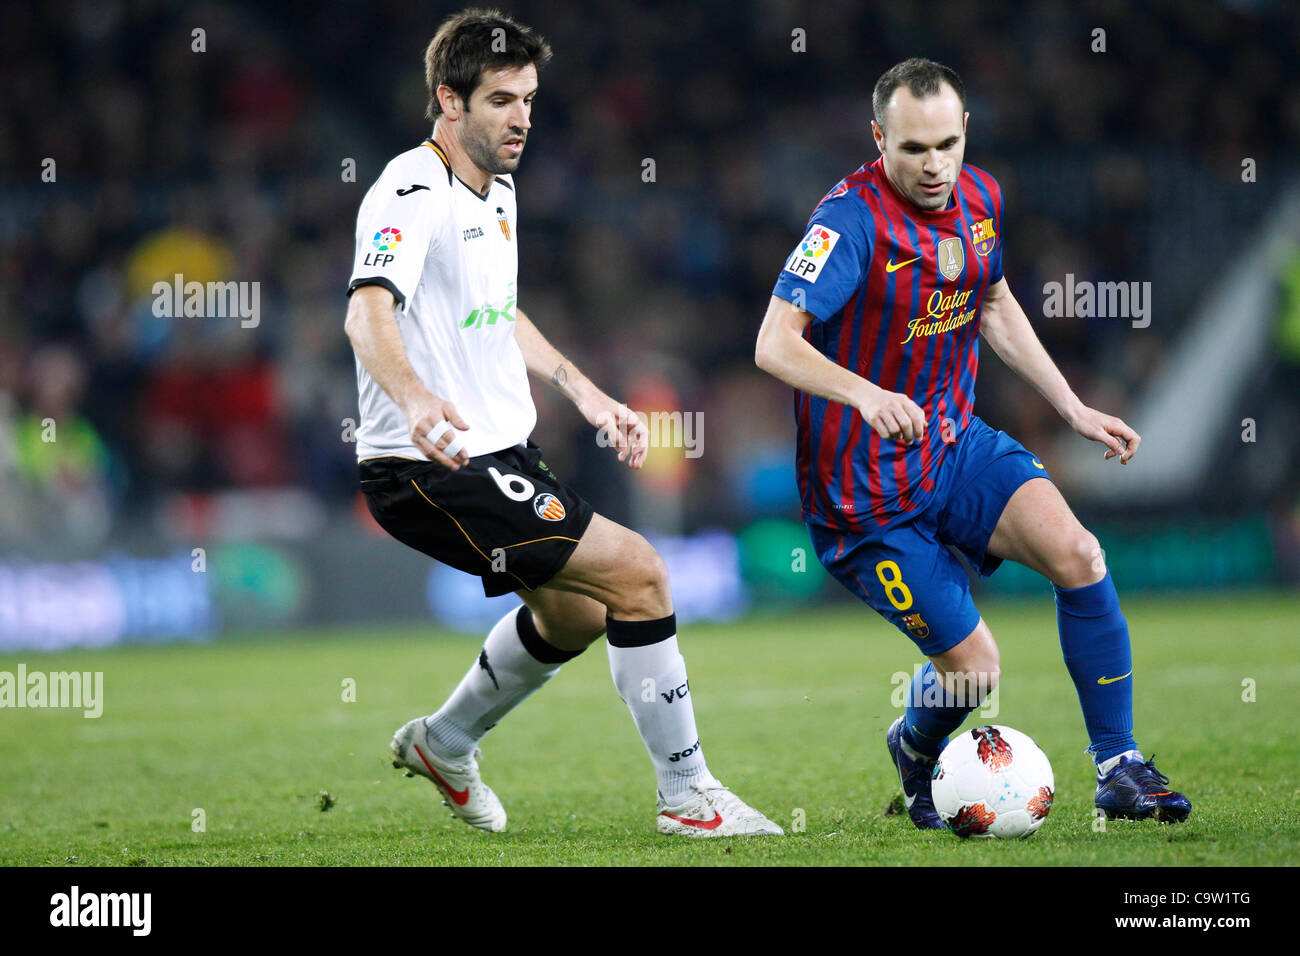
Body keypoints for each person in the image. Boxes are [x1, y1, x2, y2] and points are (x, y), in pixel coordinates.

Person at [343, 8, 780, 838]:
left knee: (575, 613)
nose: (522, 119)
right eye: (502, 100)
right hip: (427, 464)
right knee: (641, 573)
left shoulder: (497, 188)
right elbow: (367, 315)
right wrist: (415, 399)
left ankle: (443, 742)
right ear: (449, 100)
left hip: (500, 448)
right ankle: (689, 797)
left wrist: (588, 392)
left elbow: (498, 312)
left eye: (530, 99)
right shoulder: (410, 189)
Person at [754, 57, 1190, 829]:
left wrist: (1071, 405)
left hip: (954, 450)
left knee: (1081, 556)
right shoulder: (846, 221)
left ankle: (1120, 767)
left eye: (947, 144)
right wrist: (866, 393)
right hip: (865, 496)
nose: (934, 165)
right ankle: (915, 745)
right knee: (974, 672)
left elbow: (992, 301)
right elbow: (773, 343)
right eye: (914, 148)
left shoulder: (981, 198)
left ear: (966, 134)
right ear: (878, 137)